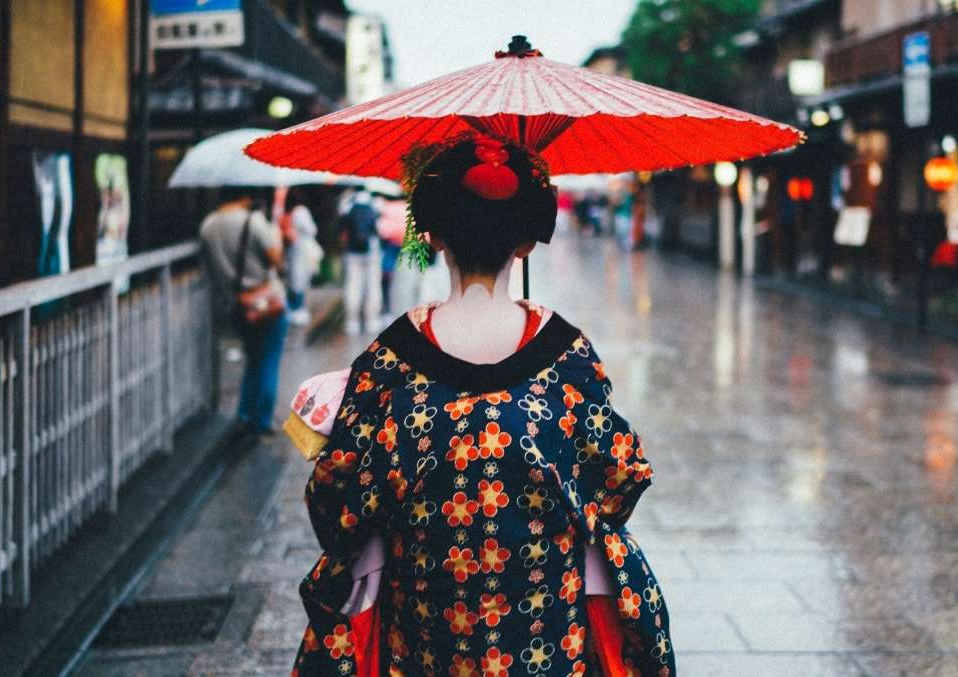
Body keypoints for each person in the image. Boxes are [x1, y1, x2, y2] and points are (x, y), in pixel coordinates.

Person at [291, 135, 675, 676]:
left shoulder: (390, 360)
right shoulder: (566, 357)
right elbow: (619, 480)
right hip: (546, 631)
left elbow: (334, 501)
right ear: (527, 242)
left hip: (426, 633)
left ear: (431, 234)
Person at [199, 187, 289, 436]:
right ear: (245, 195)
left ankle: (245, 414)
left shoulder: (208, 226)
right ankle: (262, 421)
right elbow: (276, 260)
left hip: (235, 305)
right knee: (268, 360)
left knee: (253, 358)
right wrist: (276, 233)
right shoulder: (254, 221)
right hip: (265, 302)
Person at [336, 190, 383, 334]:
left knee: (352, 285)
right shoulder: (375, 204)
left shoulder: (347, 206)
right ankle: (371, 320)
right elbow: (379, 230)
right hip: (372, 251)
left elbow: (342, 234)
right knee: (373, 285)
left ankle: (352, 321)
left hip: (352, 252)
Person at [283, 188, 321, 326]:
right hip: (302, 250)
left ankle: (294, 309)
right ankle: (298, 309)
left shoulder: (290, 212)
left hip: (294, 249)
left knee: (294, 279)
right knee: (300, 279)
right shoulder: (301, 211)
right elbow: (312, 229)